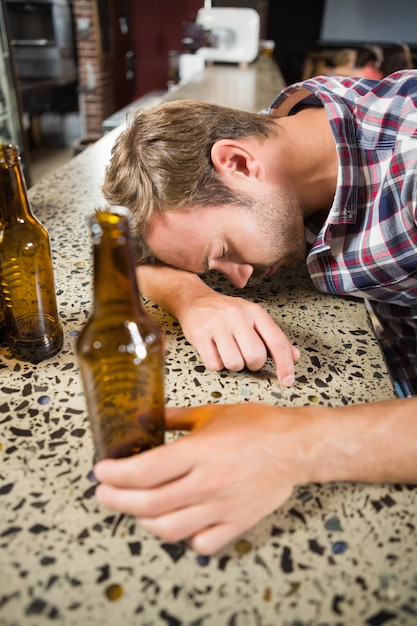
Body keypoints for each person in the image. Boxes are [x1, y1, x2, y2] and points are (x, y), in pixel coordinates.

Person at [94, 70, 417, 556]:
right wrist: (193, 296)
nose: (238, 279)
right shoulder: (290, 132)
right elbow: (124, 260)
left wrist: (291, 446)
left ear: (239, 164)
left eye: (221, 251)